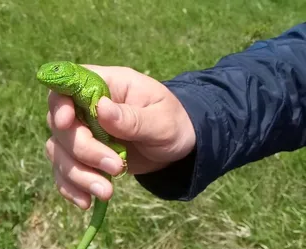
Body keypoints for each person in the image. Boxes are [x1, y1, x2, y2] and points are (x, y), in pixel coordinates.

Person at [44, 22, 306, 211]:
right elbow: (293, 64)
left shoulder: (86, 84)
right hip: (123, 141)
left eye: (55, 70)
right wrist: (192, 113)